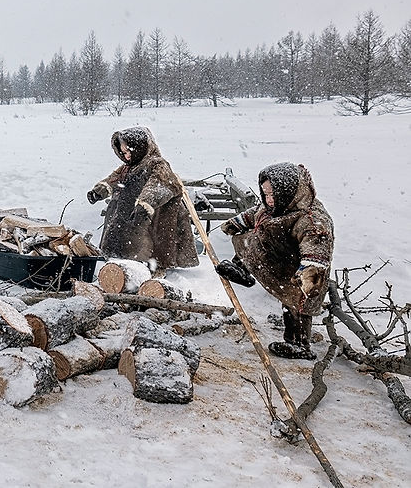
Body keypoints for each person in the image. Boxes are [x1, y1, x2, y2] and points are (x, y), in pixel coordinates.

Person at [215, 162, 334, 360]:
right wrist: (237, 223)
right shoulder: (276, 206)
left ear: (287, 191)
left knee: (295, 304)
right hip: (274, 257)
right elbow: (256, 213)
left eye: (273, 195)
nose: (269, 200)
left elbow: (316, 250)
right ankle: (242, 269)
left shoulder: (311, 220)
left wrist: (308, 275)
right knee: (248, 239)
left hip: (297, 268)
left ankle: (299, 344)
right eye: (265, 194)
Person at [86, 127, 198, 270]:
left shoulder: (156, 163)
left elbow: (159, 184)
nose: (126, 156)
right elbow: (114, 179)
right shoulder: (128, 167)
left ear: (139, 147)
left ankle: (151, 267)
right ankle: (122, 267)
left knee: (146, 245)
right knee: (123, 242)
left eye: (128, 151)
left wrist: (145, 204)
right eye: (123, 153)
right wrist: (100, 191)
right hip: (128, 212)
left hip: (151, 215)